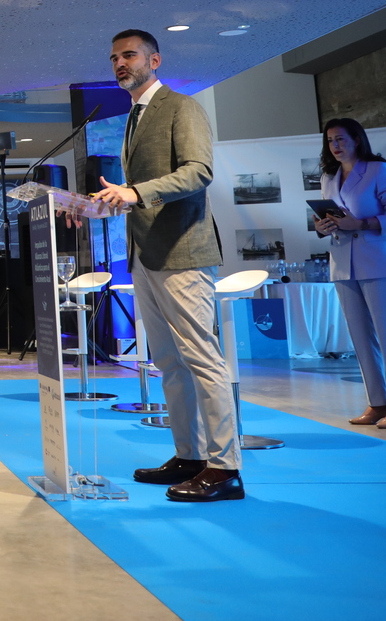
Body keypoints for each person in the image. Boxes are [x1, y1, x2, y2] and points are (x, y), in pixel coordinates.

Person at [93, 29, 242, 503]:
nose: (120, 63)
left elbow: (199, 170)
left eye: (129, 55)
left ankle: (225, 468)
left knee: (202, 360)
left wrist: (135, 191)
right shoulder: (133, 117)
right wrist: (99, 204)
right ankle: (190, 456)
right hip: (145, 255)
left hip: (183, 252)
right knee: (169, 364)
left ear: (155, 60)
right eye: (115, 57)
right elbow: (138, 191)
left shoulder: (182, 107)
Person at [314, 118, 386, 429]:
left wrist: (361, 224)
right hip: (342, 262)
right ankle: (378, 402)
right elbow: (329, 215)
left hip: (376, 260)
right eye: (330, 141)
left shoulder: (378, 170)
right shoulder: (328, 177)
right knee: (360, 339)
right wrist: (322, 226)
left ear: (357, 139)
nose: (335, 146)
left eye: (341, 139)